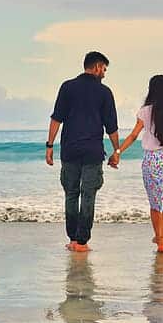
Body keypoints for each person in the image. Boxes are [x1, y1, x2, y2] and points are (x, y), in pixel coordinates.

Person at [46, 51, 120, 252]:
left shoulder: (67, 87)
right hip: (92, 152)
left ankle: (72, 239)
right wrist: (117, 150)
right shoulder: (105, 93)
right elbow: (111, 126)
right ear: (96, 67)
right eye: (103, 69)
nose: (104, 73)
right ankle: (82, 241)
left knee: (71, 194)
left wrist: (49, 146)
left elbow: (56, 119)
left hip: (69, 150)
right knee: (88, 195)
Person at [114, 75, 163, 252]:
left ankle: (157, 236)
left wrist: (118, 152)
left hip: (152, 161)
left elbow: (133, 136)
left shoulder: (145, 111)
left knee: (155, 203)